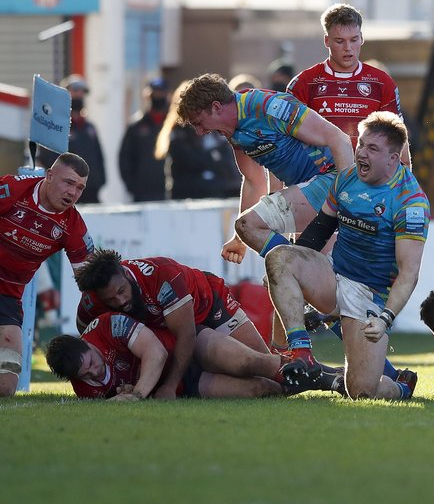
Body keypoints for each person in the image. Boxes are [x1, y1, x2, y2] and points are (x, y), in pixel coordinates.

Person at [264, 112, 429, 400]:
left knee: (362, 392)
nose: (361, 153)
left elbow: (409, 273)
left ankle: (401, 386)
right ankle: (301, 351)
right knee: (279, 257)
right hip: (334, 273)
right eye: (361, 144)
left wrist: (386, 319)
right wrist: (288, 275)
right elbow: (319, 231)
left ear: (394, 159)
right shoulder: (348, 177)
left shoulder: (410, 202)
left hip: (369, 294)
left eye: (372, 149)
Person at [176, 73, 355, 265]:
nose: (200, 133)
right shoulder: (233, 131)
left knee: (249, 226)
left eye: (199, 123)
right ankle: (296, 267)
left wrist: (349, 199)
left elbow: (339, 139)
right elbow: (253, 181)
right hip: (306, 191)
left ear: (217, 107)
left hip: (327, 180)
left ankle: (291, 266)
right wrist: (240, 239)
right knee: (320, 275)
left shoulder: (267, 106)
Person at [73, 249, 273, 399]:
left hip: (210, 306)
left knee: (264, 367)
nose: (120, 301)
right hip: (178, 335)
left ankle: (301, 364)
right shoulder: (91, 304)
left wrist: (170, 386)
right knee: (257, 388)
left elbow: (187, 334)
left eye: (121, 291)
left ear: (126, 274)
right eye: (111, 300)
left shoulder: (160, 275)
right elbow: (92, 338)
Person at [46, 312, 340, 400]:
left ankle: (331, 378)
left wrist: (135, 394)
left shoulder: (109, 326)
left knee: (251, 362)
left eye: (93, 363)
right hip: (185, 386)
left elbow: (156, 353)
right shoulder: (83, 386)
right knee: (261, 388)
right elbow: (107, 398)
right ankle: (326, 380)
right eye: (85, 374)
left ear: (88, 343)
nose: (94, 373)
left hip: (187, 347)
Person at [0, 153, 94, 396]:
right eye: (69, 183)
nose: (73, 193)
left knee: (6, 386)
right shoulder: (13, 189)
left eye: (80, 187)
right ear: (49, 176)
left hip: (8, 297)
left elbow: (91, 280)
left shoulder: (73, 225)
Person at [287, 4, 402, 151]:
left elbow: (397, 141)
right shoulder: (303, 83)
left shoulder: (382, 82)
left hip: (368, 173)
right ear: (326, 41)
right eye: (340, 41)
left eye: (353, 40)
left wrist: (403, 173)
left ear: (361, 38)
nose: (348, 47)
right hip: (317, 172)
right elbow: (287, 141)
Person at [36, 75, 106, 203]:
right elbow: (46, 158)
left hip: (90, 191)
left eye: (82, 91)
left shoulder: (89, 127)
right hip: (66, 193)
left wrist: (99, 181)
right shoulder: (55, 125)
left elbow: (99, 157)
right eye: (75, 90)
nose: (79, 94)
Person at [119, 78, 170, 202]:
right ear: (148, 95)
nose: (158, 96)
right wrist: (132, 186)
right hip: (142, 194)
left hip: (169, 192)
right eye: (155, 93)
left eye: (161, 93)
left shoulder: (174, 125)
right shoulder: (136, 126)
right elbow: (125, 158)